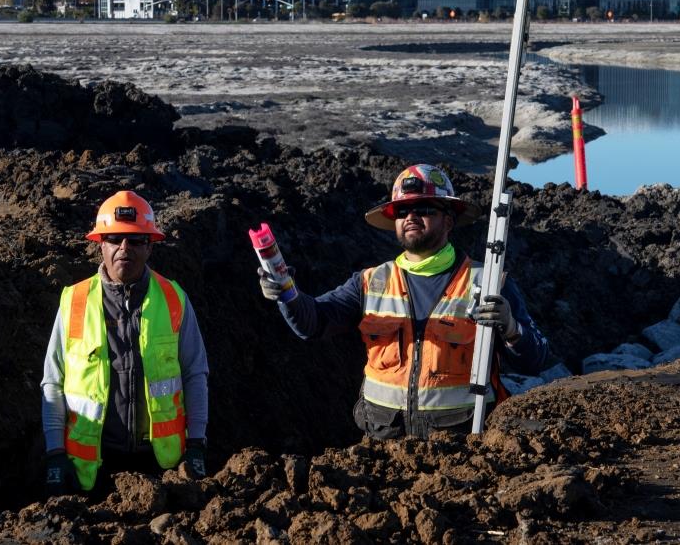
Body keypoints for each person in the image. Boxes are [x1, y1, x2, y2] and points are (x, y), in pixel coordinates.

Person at [259, 164, 550, 439]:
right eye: (401, 211)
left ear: (448, 220)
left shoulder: (488, 282)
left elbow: (536, 360)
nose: (410, 216)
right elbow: (312, 323)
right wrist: (286, 291)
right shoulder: (370, 282)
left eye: (422, 208)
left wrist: (511, 328)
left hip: (462, 448)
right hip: (385, 447)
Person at [41, 190, 210, 496]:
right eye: (114, 238)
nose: (124, 248)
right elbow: (53, 383)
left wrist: (197, 443)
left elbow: (195, 374)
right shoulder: (74, 302)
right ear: (100, 245)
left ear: (150, 246)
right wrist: (55, 453)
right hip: (91, 470)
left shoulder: (173, 299)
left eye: (136, 240)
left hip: (163, 468)